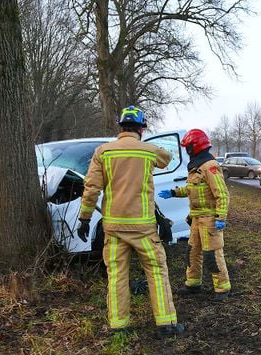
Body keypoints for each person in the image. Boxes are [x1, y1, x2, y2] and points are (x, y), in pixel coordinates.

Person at [78, 105, 184, 338]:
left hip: (114, 228)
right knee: (156, 271)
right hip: (143, 228)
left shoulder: (103, 152)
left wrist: (84, 218)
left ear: (121, 127)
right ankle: (166, 324)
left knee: (117, 274)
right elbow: (167, 159)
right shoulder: (148, 151)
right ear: (142, 129)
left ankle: (118, 325)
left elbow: (92, 188)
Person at [158, 129, 231, 301]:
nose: (186, 150)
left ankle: (222, 288)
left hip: (210, 219)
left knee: (212, 254)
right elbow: (192, 189)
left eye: (188, 147)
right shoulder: (196, 167)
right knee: (193, 252)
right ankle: (193, 283)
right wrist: (174, 192)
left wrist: (221, 218)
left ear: (194, 146)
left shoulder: (210, 166)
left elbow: (222, 194)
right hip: (197, 218)